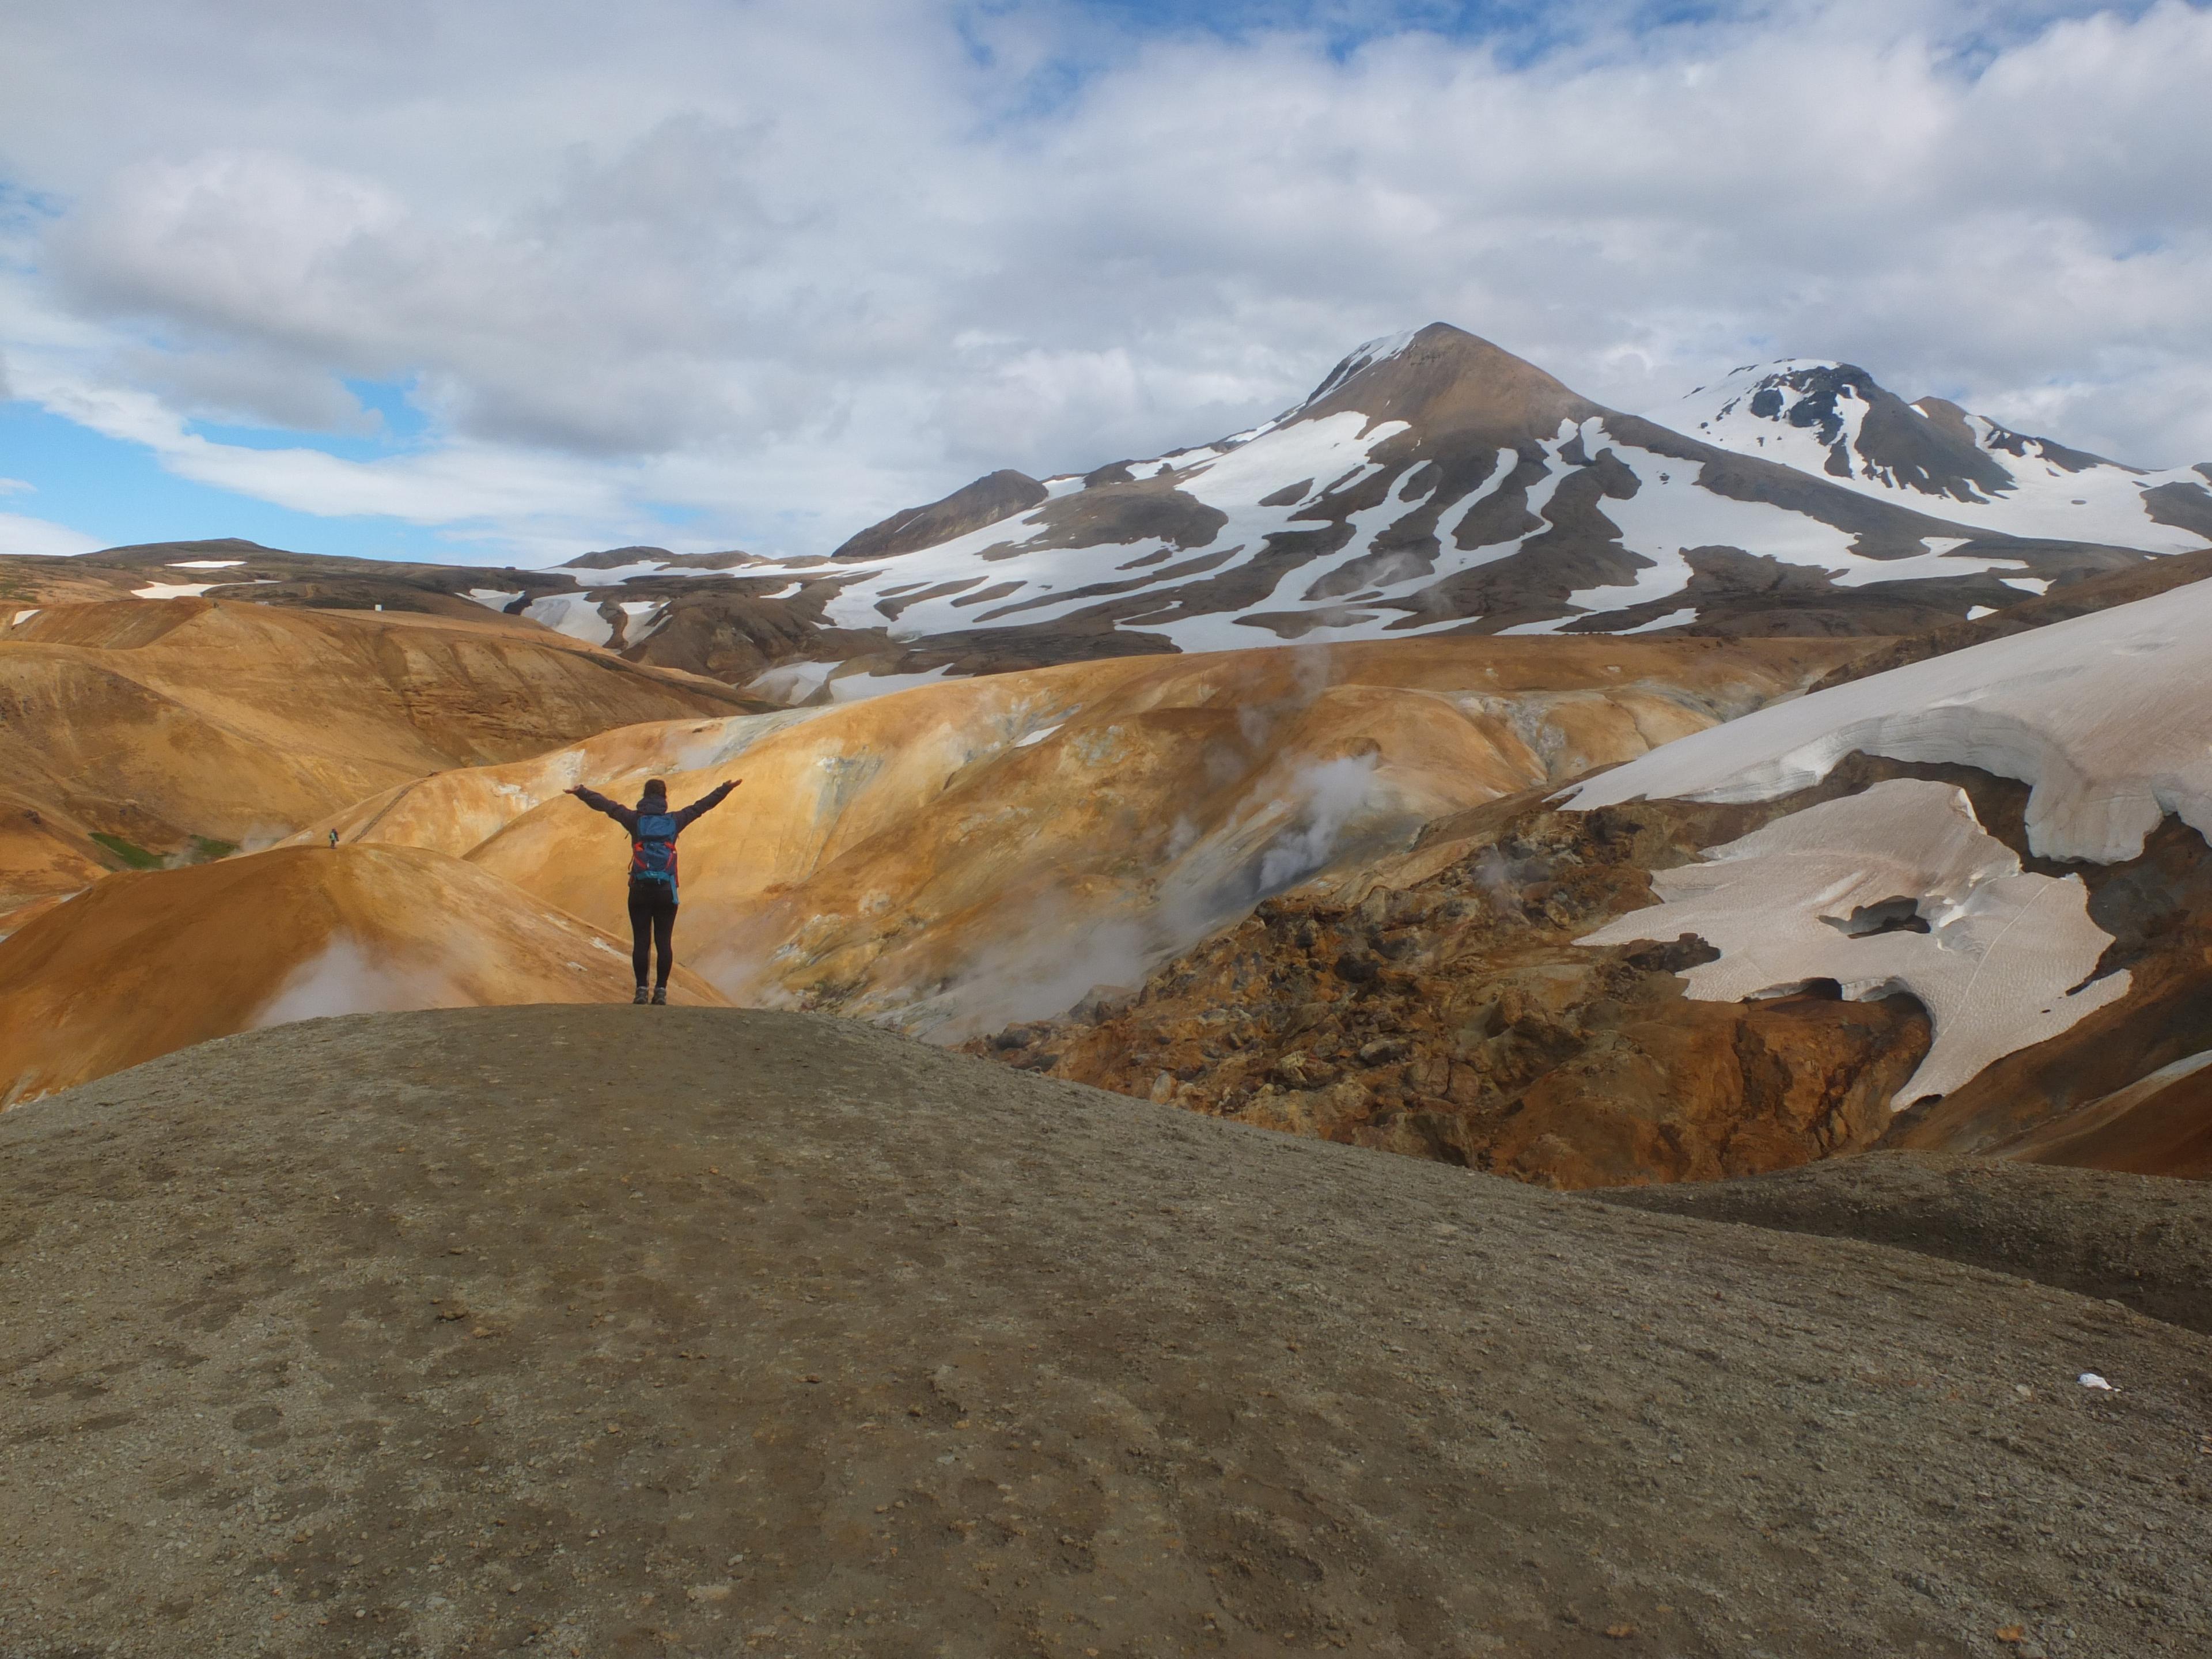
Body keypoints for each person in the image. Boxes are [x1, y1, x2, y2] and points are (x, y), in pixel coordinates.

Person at [566, 775, 738, 1004]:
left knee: (641, 941)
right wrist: (724, 788)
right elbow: (701, 807)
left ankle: (640, 990)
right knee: (664, 941)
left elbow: (607, 806)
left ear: (644, 797)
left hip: (639, 889)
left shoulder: (634, 820)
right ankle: (661, 991)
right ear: (664, 798)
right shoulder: (675, 821)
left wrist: (581, 791)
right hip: (666, 890)